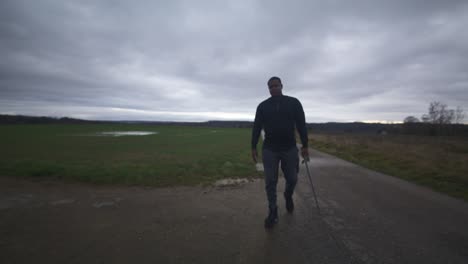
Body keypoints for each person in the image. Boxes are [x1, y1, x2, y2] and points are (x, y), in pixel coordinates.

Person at [251, 76, 309, 229]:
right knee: (270, 182)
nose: (273, 89)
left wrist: (305, 145)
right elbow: (256, 127)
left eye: (276, 86)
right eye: (270, 87)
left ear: (282, 86)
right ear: (268, 89)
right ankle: (273, 210)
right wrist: (253, 146)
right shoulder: (262, 106)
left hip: (289, 148)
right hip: (269, 149)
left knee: (292, 178)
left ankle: (288, 195)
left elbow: (302, 124)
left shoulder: (294, 103)